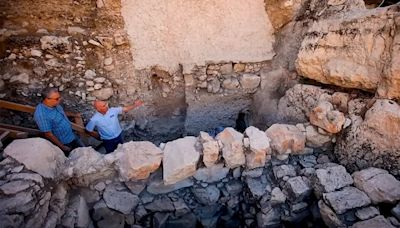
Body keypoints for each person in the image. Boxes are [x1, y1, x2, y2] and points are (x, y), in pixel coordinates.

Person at [34, 87, 84, 156]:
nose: (60, 100)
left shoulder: (54, 104)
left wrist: (74, 115)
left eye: (59, 97)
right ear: (47, 99)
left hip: (72, 135)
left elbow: (62, 112)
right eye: (57, 99)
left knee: (86, 151)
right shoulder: (42, 115)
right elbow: (48, 134)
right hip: (65, 143)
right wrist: (62, 147)